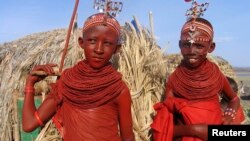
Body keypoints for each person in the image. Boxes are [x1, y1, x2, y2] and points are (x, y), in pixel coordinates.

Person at [22, 12, 135, 141]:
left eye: (108, 43)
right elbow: (29, 124)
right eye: (92, 40)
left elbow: (128, 138)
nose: (99, 49)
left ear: (116, 49)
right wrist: (29, 84)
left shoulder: (118, 90)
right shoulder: (67, 83)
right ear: (82, 42)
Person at [151, 2, 244, 141]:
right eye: (186, 45)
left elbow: (234, 99)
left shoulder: (215, 74)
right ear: (179, 45)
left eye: (199, 46)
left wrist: (229, 116)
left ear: (211, 47)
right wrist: (194, 130)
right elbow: (166, 120)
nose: (191, 51)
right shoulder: (175, 79)